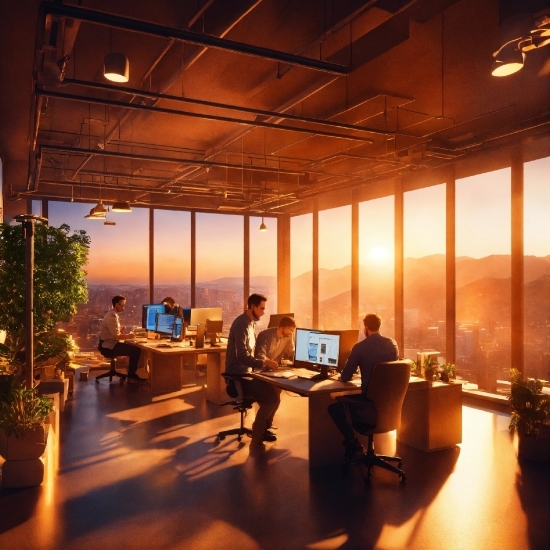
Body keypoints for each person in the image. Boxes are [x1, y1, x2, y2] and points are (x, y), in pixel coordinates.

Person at [327, 313, 399, 458]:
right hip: (390, 407)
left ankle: (353, 443)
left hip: (368, 407)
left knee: (334, 408)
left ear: (366, 328)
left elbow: (346, 376)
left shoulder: (360, 347)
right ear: (379, 326)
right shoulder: (392, 344)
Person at [224, 293, 280, 454]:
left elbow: (252, 353)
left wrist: (266, 360)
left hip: (249, 372)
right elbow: (242, 356)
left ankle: (264, 428)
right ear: (253, 307)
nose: (263, 312)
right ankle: (257, 433)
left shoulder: (251, 323)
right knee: (271, 399)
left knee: (275, 390)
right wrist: (263, 363)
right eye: (261, 308)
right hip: (239, 376)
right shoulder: (241, 325)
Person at [99, 295, 145, 383]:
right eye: (122, 304)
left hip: (109, 344)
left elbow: (112, 332)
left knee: (132, 349)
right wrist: (130, 336)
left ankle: (132, 374)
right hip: (109, 347)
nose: (124, 307)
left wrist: (120, 330)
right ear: (116, 305)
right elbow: (117, 336)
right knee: (136, 351)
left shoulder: (112, 314)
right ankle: (132, 376)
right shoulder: (112, 317)